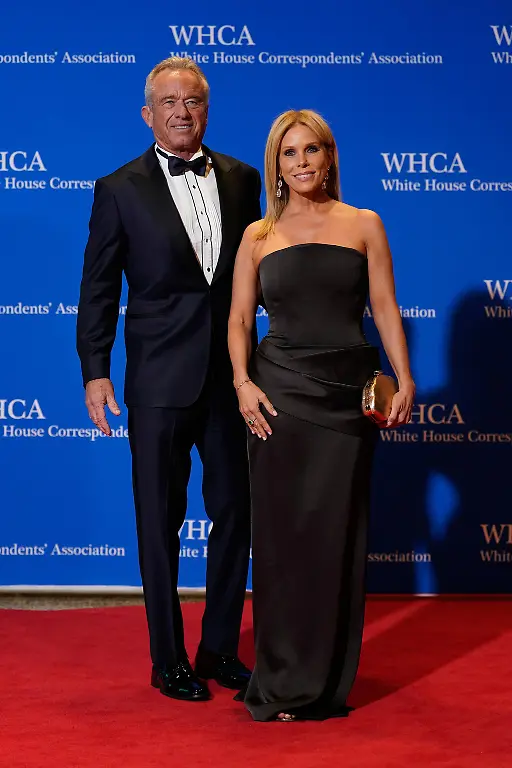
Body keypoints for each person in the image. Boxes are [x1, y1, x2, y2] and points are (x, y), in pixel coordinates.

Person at [77, 57, 261, 702]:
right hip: (156, 381)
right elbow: (98, 289)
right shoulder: (118, 188)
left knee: (235, 514)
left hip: (233, 378)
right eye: (170, 101)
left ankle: (217, 650)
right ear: (147, 113)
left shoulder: (244, 178)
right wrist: (95, 371)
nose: (184, 111)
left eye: (195, 101)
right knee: (158, 519)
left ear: (207, 109)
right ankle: (167, 659)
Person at [228, 109, 415, 721]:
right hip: (278, 393)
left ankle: (328, 681)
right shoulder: (258, 235)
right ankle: (281, 680)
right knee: (282, 541)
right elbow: (237, 320)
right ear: (275, 164)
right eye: (289, 153)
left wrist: (404, 375)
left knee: (336, 535)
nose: (302, 162)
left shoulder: (364, 224)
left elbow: (384, 304)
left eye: (312, 150)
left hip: (346, 395)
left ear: (330, 157)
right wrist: (242, 384)